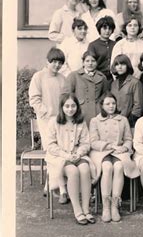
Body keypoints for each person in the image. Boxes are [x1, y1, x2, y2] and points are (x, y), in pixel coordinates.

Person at [45, 93, 97, 225]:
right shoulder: (54, 121)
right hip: (59, 157)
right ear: (61, 107)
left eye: (73, 106)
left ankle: (86, 208)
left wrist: (79, 153)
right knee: (73, 172)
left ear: (77, 107)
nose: (70, 109)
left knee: (85, 169)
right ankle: (77, 210)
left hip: (77, 154)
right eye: (67, 106)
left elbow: (86, 143)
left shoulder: (80, 121)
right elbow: (50, 145)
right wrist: (67, 155)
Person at [89, 93, 138, 222]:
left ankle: (115, 205)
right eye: (107, 104)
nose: (111, 106)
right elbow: (93, 141)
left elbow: (128, 139)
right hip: (101, 152)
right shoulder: (95, 120)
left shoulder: (122, 119)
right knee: (107, 166)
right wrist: (108, 145)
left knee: (119, 166)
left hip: (119, 152)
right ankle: (106, 206)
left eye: (113, 103)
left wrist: (125, 147)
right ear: (102, 105)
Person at [29, 47, 68, 202]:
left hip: (61, 121)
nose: (57, 65)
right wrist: (47, 113)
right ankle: (62, 189)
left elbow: (66, 100)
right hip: (46, 122)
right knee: (52, 152)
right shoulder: (38, 77)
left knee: (61, 151)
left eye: (60, 63)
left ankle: (49, 185)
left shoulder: (62, 78)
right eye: (54, 62)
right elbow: (34, 99)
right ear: (48, 61)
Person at [63, 51, 108, 126]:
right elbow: (66, 96)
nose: (90, 63)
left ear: (97, 62)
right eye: (87, 61)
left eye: (93, 61)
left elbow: (105, 96)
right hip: (80, 112)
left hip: (98, 113)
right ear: (83, 62)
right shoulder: (74, 76)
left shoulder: (102, 77)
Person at [110, 54, 143, 127]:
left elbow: (138, 105)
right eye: (117, 65)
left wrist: (130, 119)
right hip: (114, 120)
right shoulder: (114, 84)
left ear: (127, 65)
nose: (120, 67)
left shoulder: (135, 82)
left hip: (130, 121)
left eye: (122, 64)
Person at [87, 16, 116, 82]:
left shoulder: (116, 44)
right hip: (98, 78)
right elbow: (91, 63)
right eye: (104, 28)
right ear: (99, 29)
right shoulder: (93, 45)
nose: (107, 31)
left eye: (110, 29)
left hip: (114, 79)